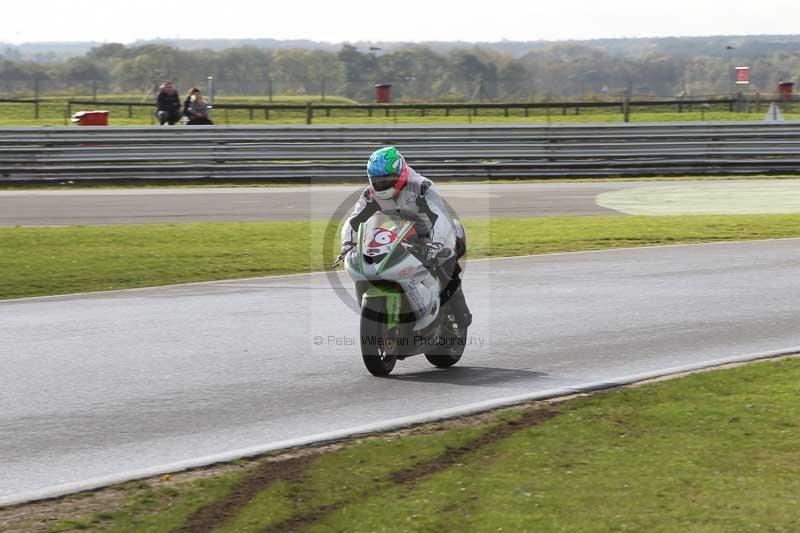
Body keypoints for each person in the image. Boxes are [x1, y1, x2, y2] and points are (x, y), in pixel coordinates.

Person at [340, 146, 472, 326]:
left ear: (399, 172)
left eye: (386, 180)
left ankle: (458, 308)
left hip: (438, 232)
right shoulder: (371, 194)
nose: (381, 185)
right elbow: (353, 220)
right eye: (377, 181)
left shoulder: (421, 186)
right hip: (406, 234)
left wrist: (436, 244)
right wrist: (347, 244)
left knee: (444, 258)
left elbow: (440, 216)